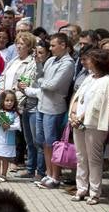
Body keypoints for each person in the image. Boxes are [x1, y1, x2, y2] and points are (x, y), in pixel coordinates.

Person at [20, 32, 74, 189]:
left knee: (53, 142)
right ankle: (48, 174)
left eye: (53, 45)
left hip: (54, 108)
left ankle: (56, 176)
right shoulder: (50, 60)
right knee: (43, 142)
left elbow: (53, 86)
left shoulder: (68, 63)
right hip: (42, 106)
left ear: (63, 45)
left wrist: (42, 82)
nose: (50, 48)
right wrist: (38, 64)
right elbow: (40, 77)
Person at [68, 48, 109, 204]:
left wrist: (81, 117)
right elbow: (78, 96)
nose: (87, 61)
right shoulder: (89, 77)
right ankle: (81, 188)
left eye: (91, 59)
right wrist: (73, 114)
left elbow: (99, 104)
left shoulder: (107, 81)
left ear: (98, 62)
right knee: (81, 157)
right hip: (79, 122)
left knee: (94, 159)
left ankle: (94, 192)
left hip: (93, 124)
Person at [0, 32, 38, 179]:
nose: (19, 46)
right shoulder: (13, 60)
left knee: (24, 136)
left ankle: (25, 164)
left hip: (19, 103)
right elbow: (3, 76)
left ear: (29, 46)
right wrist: (2, 92)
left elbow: (24, 83)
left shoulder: (31, 62)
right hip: (5, 100)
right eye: (17, 43)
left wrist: (13, 98)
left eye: (22, 44)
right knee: (8, 131)